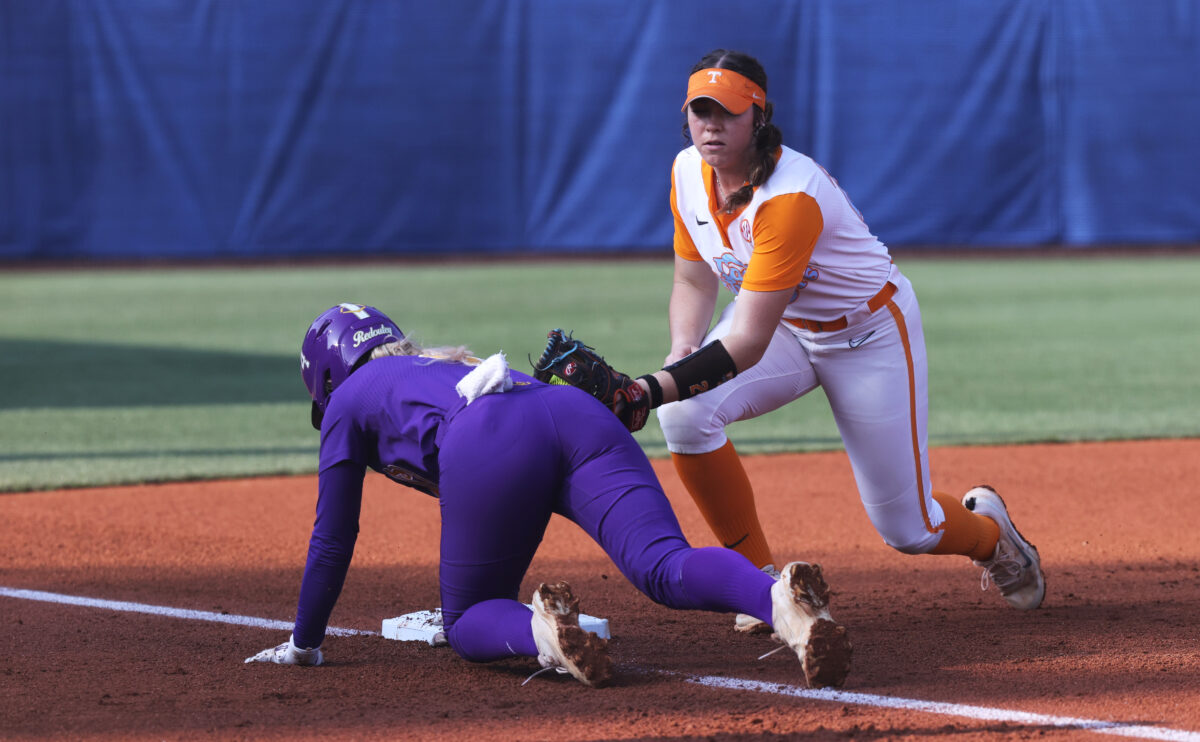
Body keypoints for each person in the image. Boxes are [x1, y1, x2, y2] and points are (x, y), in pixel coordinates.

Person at [610, 49, 1045, 633]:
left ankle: (993, 540)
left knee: (908, 530)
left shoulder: (790, 196)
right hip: (789, 326)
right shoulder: (687, 171)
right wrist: (682, 351)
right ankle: (759, 585)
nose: (710, 125)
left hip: (866, 334)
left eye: (727, 112)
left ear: (758, 118)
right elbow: (693, 276)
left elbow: (747, 342)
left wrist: (647, 390)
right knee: (686, 415)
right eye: (699, 111)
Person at [244, 302, 853, 689]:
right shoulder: (440, 365)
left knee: (467, 620)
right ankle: (781, 605)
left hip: (491, 438)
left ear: (324, 375)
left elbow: (333, 536)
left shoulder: (348, 402)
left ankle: (546, 634)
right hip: (567, 410)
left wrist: (305, 643)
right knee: (664, 564)